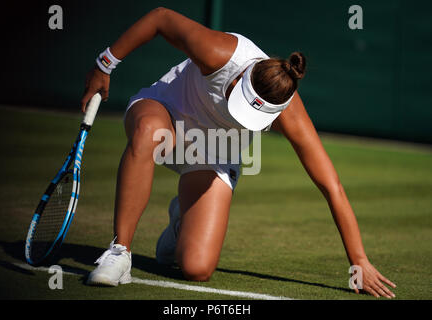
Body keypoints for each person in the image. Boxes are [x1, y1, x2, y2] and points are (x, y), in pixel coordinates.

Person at [81, 7, 396, 298]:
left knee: (197, 268)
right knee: (148, 132)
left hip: (212, 153)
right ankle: (119, 252)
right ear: (241, 79)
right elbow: (161, 18)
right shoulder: (219, 52)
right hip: (166, 115)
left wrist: (359, 262)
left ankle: (180, 224)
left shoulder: (289, 112)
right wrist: (105, 63)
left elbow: (332, 185)